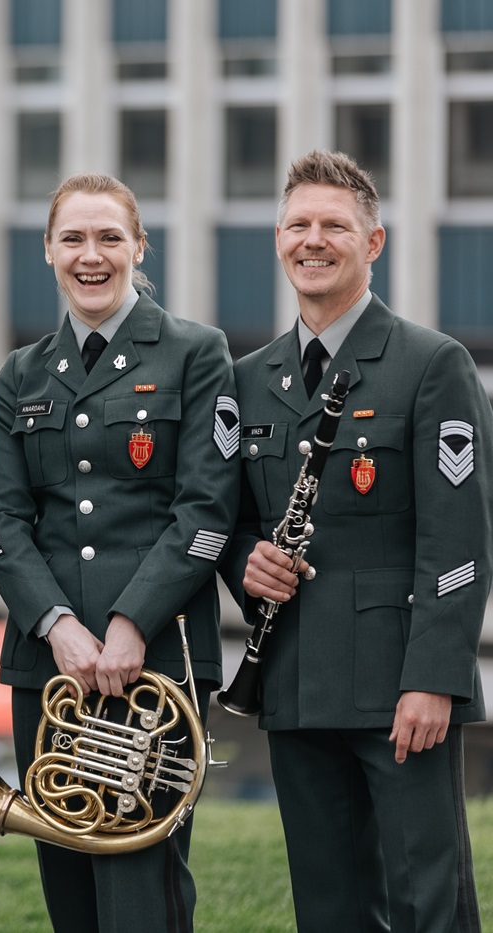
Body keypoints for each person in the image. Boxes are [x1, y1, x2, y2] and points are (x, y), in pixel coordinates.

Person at [219, 150, 489, 932]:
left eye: (334, 226)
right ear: (278, 240)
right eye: (298, 224)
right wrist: (245, 563)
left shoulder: (431, 363)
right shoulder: (248, 377)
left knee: (427, 903)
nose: (314, 240)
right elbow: (227, 522)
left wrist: (435, 676)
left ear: (373, 243)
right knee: (328, 908)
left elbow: (459, 540)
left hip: (398, 687)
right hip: (295, 683)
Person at [0, 172, 239, 932]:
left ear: (139, 247)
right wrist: (57, 625)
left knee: (141, 890)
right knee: (69, 893)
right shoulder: (20, 373)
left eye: (109, 238)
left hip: (157, 660)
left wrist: (131, 623)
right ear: (48, 250)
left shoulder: (196, 352)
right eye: (73, 239)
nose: (90, 256)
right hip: (48, 667)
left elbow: (207, 511)